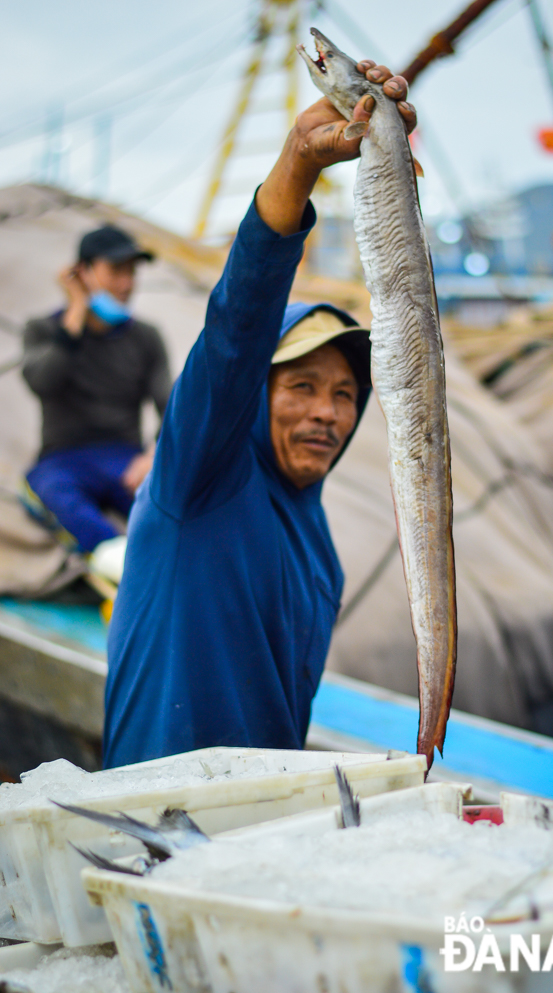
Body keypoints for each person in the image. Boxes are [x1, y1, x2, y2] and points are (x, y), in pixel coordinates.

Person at [103, 61, 416, 767]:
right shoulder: (202, 480)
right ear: (255, 395)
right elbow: (237, 329)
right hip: (150, 836)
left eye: (344, 393)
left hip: (253, 841)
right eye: (301, 385)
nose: (328, 413)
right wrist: (298, 166)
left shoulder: (319, 546)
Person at [22, 225, 171, 577]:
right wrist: (76, 309)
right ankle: (116, 559)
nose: (127, 284)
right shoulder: (43, 329)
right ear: (83, 272)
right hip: (62, 460)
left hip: (125, 460)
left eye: (132, 272)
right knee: (51, 492)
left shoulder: (146, 337)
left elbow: (170, 406)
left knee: (168, 507)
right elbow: (43, 382)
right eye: (116, 271)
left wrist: (153, 455)